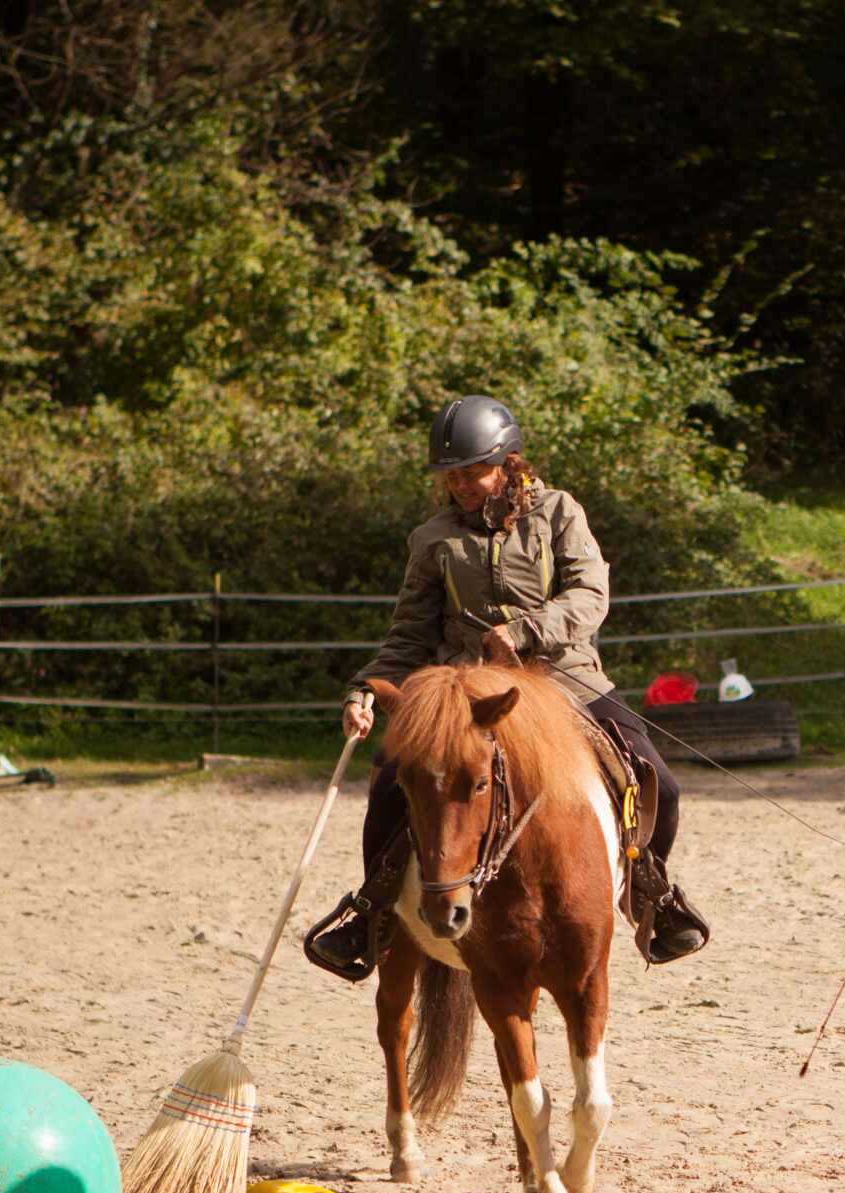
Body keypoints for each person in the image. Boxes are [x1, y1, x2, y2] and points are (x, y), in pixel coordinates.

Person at [302, 395, 711, 976]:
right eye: (451, 476)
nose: (461, 485)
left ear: (508, 461)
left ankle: (651, 895)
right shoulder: (432, 538)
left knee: (659, 784)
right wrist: (365, 688)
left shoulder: (560, 512)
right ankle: (373, 915)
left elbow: (590, 596)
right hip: (465, 695)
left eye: (472, 471)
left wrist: (524, 632)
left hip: (565, 679)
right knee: (394, 783)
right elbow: (408, 635)